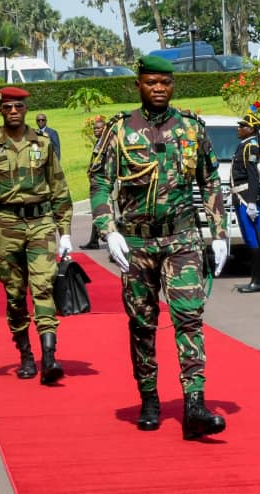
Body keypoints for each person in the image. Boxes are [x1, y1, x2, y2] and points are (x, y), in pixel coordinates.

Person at [88, 56, 228, 440]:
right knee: (142, 323)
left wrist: (218, 232)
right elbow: (99, 180)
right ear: (138, 85)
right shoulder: (120, 130)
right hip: (136, 243)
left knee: (189, 317)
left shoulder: (191, 128)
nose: (159, 89)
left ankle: (195, 404)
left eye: (165, 82)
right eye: (151, 82)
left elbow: (210, 180)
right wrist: (107, 229)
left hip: (182, 240)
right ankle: (149, 398)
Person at [0, 87, 73, 386]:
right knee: (15, 294)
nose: (13, 111)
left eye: (18, 106)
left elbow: (59, 187)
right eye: (8, 107)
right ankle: (26, 354)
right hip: (8, 225)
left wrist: (65, 232)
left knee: (43, 286)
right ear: (0, 110)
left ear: (25, 109)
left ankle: (49, 357)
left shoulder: (43, 143)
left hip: (41, 223)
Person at [232, 105, 260, 293]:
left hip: (247, 198)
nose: (239, 129)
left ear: (251, 129)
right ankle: (256, 278)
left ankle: (259, 280)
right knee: (248, 238)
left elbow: (253, 176)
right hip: (240, 196)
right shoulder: (243, 146)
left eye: (242, 126)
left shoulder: (251, 147)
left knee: (254, 239)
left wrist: (252, 202)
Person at [80, 116, 107, 250]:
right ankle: (94, 240)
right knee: (98, 211)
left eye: (98, 128)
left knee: (103, 212)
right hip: (97, 181)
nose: (95, 130)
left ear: (105, 129)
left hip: (104, 182)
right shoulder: (99, 142)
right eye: (94, 128)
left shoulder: (106, 143)